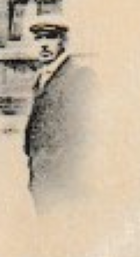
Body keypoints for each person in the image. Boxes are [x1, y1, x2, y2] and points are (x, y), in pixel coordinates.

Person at [22, 15, 94, 213]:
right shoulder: (41, 77)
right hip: (42, 178)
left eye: (51, 38)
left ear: (63, 41)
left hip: (63, 181)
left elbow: (82, 134)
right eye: (39, 39)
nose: (44, 45)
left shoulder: (79, 75)